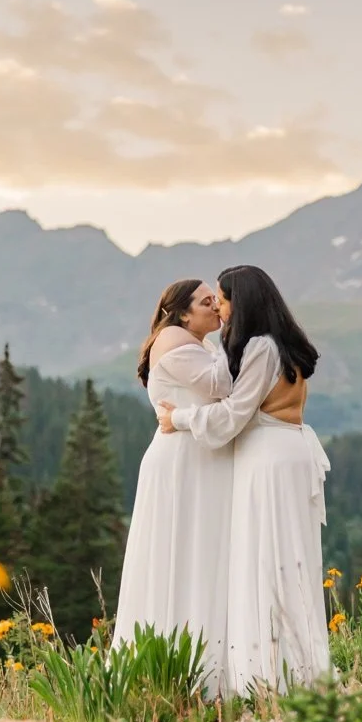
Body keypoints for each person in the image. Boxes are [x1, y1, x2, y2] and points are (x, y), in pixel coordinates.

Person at [158, 265, 331, 696]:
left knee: (265, 559)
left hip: (268, 458)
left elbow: (236, 413)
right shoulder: (278, 345)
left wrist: (177, 417)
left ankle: (270, 677)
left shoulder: (260, 348)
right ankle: (293, 670)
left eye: (223, 297)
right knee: (286, 559)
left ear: (244, 301)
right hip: (286, 451)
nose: (220, 306)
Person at [112, 278, 235, 695]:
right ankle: (180, 670)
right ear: (182, 312)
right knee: (185, 555)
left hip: (198, 456)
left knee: (201, 554)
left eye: (218, 300)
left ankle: (203, 664)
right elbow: (224, 387)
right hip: (184, 460)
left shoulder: (194, 343)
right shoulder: (174, 340)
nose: (216, 307)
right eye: (206, 302)